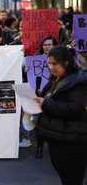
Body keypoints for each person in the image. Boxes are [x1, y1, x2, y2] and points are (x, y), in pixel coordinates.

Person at [34, 46, 87, 185]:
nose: (51, 67)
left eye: (54, 63)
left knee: (71, 180)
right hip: (59, 137)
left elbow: (74, 108)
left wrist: (46, 104)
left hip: (72, 141)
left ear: (66, 62)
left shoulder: (77, 81)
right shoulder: (57, 79)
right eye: (49, 63)